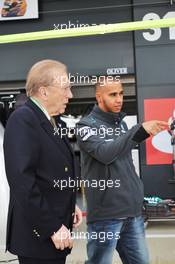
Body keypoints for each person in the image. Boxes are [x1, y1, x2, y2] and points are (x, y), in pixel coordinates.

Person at [76, 77, 167, 264]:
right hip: (106, 217)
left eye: (121, 94)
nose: (119, 99)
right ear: (99, 97)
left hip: (133, 214)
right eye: (113, 94)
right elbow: (105, 154)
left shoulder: (122, 125)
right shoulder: (85, 126)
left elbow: (125, 164)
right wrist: (138, 130)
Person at [3, 59, 82, 264]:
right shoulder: (23, 119)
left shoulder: (54, 120)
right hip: (39, 236)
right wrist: (52, 227)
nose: (70, 95)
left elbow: (52, 172)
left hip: (55, 229)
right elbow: (22, 182)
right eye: (66, 88)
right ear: (44, 91)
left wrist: (70, 207)